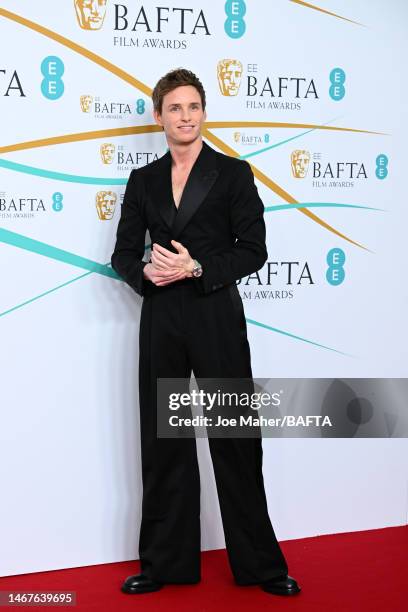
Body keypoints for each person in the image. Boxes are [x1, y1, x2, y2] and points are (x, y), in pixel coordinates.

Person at [111, 68, 301, 596]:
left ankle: (262, 566)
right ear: (159, 117)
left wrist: (197, 267)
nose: (185, 116)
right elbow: (123, 253)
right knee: (163, 438)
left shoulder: (233, 174)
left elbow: (253, 249)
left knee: (235, 436)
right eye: (175, 108)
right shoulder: (143, 180)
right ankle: (164, 564)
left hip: (214, 311)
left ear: (204, 112)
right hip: (163, 317)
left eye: (193, 106)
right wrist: (145, 273)